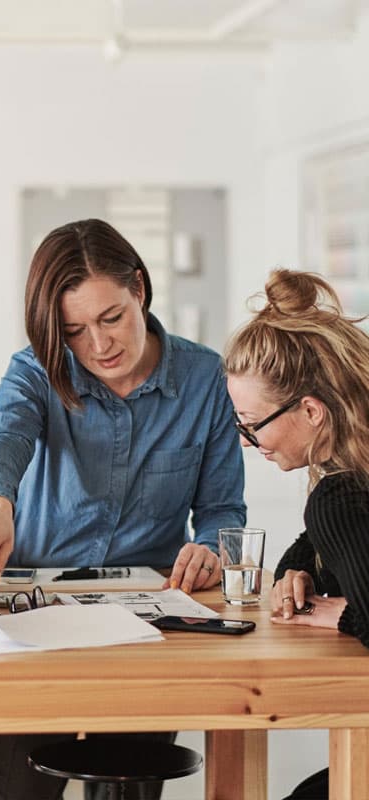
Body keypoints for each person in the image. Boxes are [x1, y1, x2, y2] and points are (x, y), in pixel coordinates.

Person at [0, 218, 246, 800]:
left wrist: (210, 550)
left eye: (111, 318)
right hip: (31, 613)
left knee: (128, 788)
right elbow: (5, 435)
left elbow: (220, 509)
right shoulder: (36, 368)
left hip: (144, 626)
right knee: (21, 789)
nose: (100, 345)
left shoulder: (207, 378)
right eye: (75, 330)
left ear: (139, 287)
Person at [223, 267, 369, 800]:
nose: (247, 440)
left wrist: (338, 613)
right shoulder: (352, 477)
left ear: (310, 410)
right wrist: (295, 573)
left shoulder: (340, 497)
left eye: (252, 422)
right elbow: (307, 548)